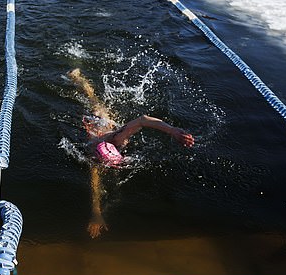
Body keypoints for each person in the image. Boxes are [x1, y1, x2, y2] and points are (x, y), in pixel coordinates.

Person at [67, 69, 194, 238]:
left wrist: (173, 131)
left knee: (97, 106)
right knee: (93, 105)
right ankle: (78, 79)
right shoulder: (93, 155)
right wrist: (96, 212)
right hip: (94, 129)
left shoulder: (117, 139)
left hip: (102, 123)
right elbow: (95, 184)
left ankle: (78, 78)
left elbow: (143, 120)